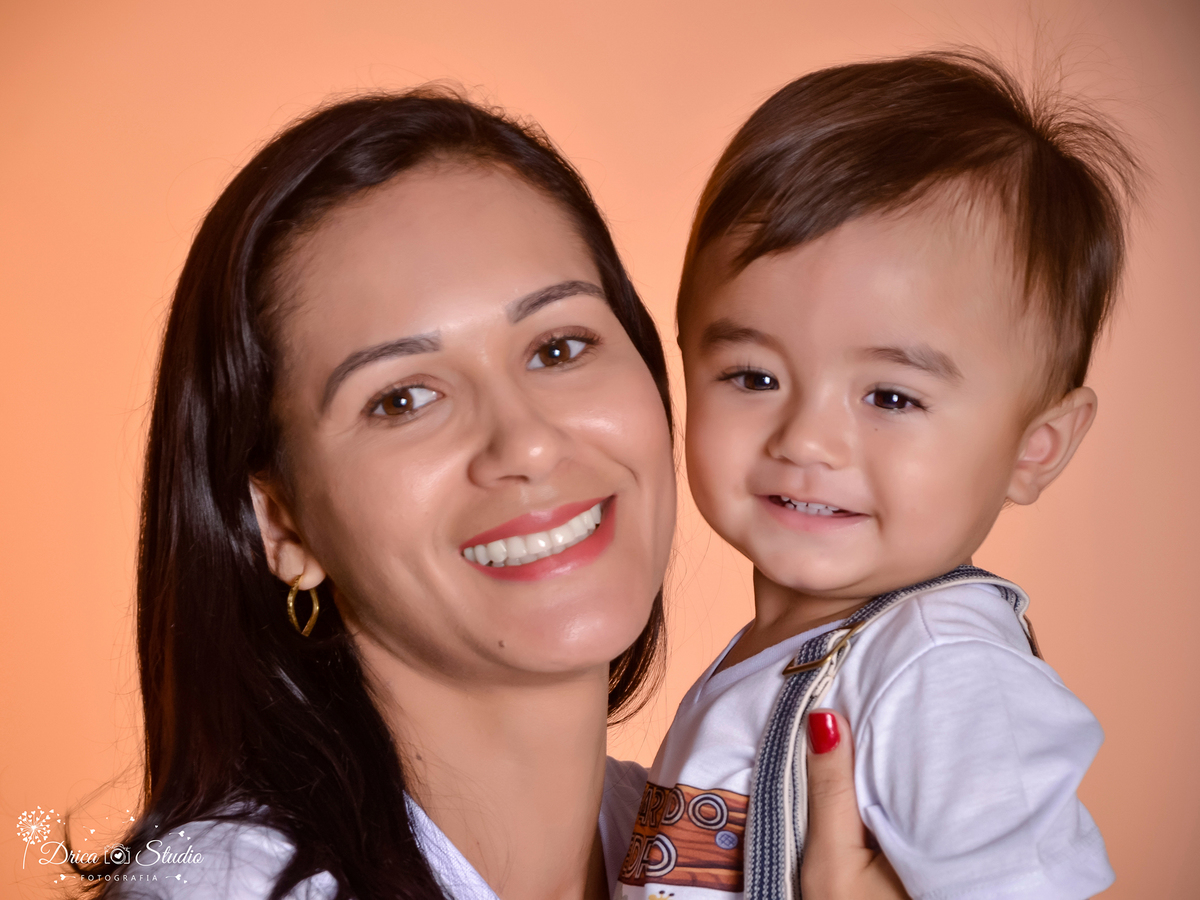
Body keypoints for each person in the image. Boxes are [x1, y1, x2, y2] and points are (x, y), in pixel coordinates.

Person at [75, 88, 909, 900]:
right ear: (281, 524)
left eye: (558, 347)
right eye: (403, 398)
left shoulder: (726, 853)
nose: (529, 442)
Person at [617, 52, 1136, 900]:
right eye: (753, 376)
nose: (809, 439)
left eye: (891, 396)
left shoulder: (943, 670)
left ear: (1035, 446)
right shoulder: (797, 654)